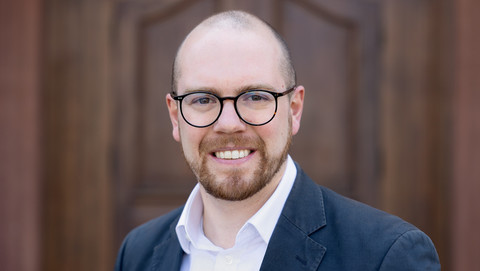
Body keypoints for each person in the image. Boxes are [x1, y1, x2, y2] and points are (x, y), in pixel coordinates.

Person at [114, 10, 440, 271]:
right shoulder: (138, 253)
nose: (229, 125)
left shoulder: (387, 256)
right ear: (175, 116)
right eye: (203, 99)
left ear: (293, 110)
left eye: (255, 96)